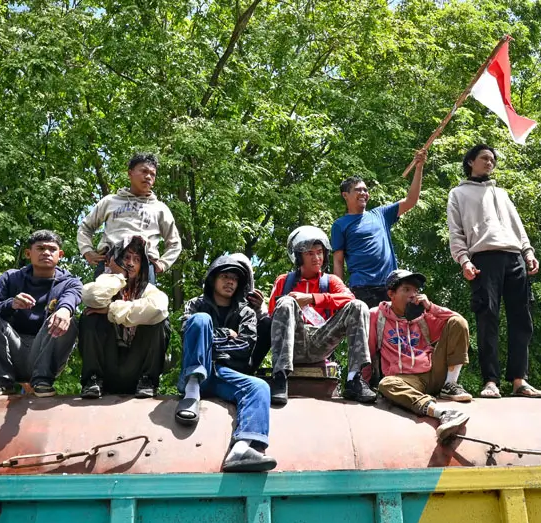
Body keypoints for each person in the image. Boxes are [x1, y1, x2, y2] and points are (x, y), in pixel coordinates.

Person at [447, 143, 541, 399]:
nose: (490, 162)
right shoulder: (458, 194)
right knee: (487, 318)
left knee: (522, 320)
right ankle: (491, 380)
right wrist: (464, 261)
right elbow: (455, 232)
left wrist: (528, 252)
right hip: (483, 258)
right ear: (471, 162)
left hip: (514, 257)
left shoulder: (501, 193)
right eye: (484, 158)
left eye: (492, 159)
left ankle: (519, 380)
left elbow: (517, 226)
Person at [176, 254, 277, 472]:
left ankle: (241, 449)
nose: (230, 281)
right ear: (213, 279)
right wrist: (226, 335)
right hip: (196, 370)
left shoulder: (246, 313)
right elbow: (188, 334)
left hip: (224, 374)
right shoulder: (196, 304)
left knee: (260, 387)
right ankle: (191, 393)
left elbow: (245, 347)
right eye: (225, 276)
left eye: (234, 278)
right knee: (201, 320)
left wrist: (210, 343)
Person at [267, 226, 376, 405]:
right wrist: (292, 305)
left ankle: (354, 378)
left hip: (321, 340)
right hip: (293, 341)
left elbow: (349, 299)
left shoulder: (331, 281)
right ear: (298, 255)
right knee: (286, 302)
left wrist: (312, 299)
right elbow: (272, 316)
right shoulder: (283, 281)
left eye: (319, 252)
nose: (316, 257)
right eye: (310, 253)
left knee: (359, 306)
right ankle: (279, 377)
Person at [0, 230, 82, 397]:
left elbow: (72, 297)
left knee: (69, 320)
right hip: (12, 351)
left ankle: (43, 380)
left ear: (60, 254)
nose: (46, 253)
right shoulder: (11, 278)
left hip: (45, 351)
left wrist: (64, 310)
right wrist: (11, 304)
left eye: (52, 249)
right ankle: (1, 382)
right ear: (29, 253)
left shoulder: (71, 282)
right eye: (40, 248)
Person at [368, 270, 473, 440]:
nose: (412, 295)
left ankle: (450, 385)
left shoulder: (424, 316)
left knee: (458, 322)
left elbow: (458, 322)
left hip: (432, 373)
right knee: (386, 383)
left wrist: (430, 306)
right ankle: (443, 413)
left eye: (415, 291)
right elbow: (370, 350)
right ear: (391, 294)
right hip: (404, 380)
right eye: (407, 289)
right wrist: (365, 386)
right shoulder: (376, 315)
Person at [332, 150, 427, 308]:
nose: (364, 193)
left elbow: (411, 201)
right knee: (368, 332)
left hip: (391, 287)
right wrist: (339, 294)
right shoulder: (340, 225)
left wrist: (419, 168)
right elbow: (338, 261)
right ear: (345, 195)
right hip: (362, 288)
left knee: (394, 330)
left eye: (365, 190)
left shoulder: (381, 214)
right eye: (358, 190)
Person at [79, 237, 170, 398]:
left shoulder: (149, 290)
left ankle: (148, 380)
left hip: (136, 370)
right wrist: (119, 276)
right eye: (126, 257)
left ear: (142, 265)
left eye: (136, 260)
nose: (130, 264)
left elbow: (158, 309)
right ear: (116, 260)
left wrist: (110, 310)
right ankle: (92, 380)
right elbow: (91, 296)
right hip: (108, 367)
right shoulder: (105, 283)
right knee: (90, 317)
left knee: (160, 321)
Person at [77, 153, 182, 283]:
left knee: (144, 303)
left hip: (144, 265)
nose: (148, 177)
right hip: (110, 262)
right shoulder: (110, 201)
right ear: (130, 173)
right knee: (101, 301)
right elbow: (85, 227)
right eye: (144, 171)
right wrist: (87, 251)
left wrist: (164, 263)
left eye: (152, 174)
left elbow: (175, 242)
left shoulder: (160, 208)